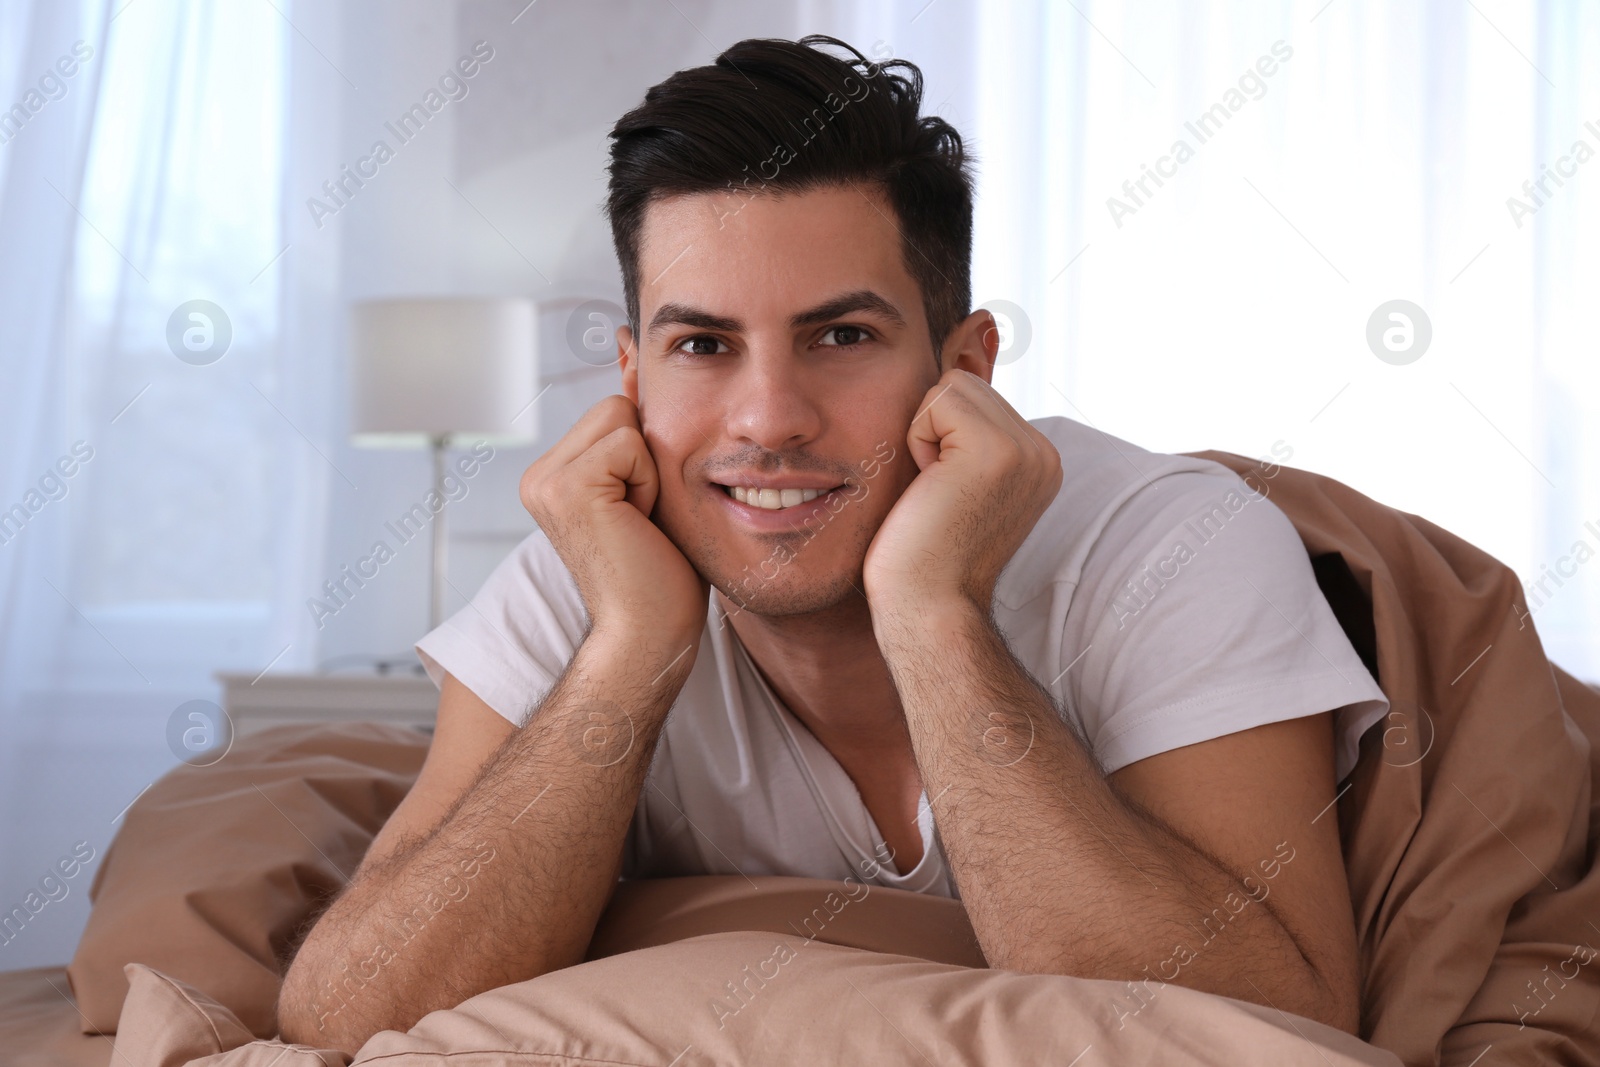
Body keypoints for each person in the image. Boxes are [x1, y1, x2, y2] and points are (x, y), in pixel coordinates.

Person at [278, 34, 1387, 1051]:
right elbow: (343, 1014)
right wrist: (631, 643)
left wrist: (931, 610)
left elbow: (1269, 1027)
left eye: (842, 335)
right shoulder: (588, 575)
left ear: (966, 365)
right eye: (704, 343)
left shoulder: (1174, 548)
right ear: (632, 377)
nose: (768, 419)